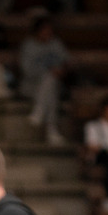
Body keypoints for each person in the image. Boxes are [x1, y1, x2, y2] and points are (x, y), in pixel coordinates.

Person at [18, 15, 69, 146]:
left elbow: (66, 64)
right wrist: (47, 71)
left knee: (50, 84)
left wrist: (60, 71)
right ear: (37, 31)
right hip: (31, 86)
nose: (48, 33)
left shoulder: (56, 43)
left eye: (50, 30)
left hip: (53, 86)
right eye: (44, 30)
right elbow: (27, 71)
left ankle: (39, 112)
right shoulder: (28, 46)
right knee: (49, 87)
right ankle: (52, 131)